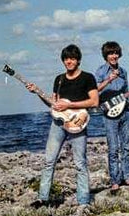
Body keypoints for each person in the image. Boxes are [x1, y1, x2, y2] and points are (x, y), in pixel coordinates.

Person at [28, 44, 98, 207]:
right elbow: (53, 104)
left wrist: (70, 106)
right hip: (57, 124)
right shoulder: (59, 79)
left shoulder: (87, 78)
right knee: (49, 161)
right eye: (66, 59)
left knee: (80, 163)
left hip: (77, 122)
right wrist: (37, 92)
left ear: (78, 60)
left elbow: (94, 101)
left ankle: (83, 202)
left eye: (72, 58)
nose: (69, 61)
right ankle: (43, 198)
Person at [95, 41, 129, 192]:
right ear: (106, 55)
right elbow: (95, 90)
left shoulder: (124, 72)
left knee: (127, 146)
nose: (114, 56)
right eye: (111, 53)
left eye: (116, 53)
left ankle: (127, 176)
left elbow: (126, 90)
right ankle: (115, 180)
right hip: (109, 114)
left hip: (125, 112)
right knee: (113, 148)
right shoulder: (100, 71)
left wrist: (125, 100)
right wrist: (108, 80)